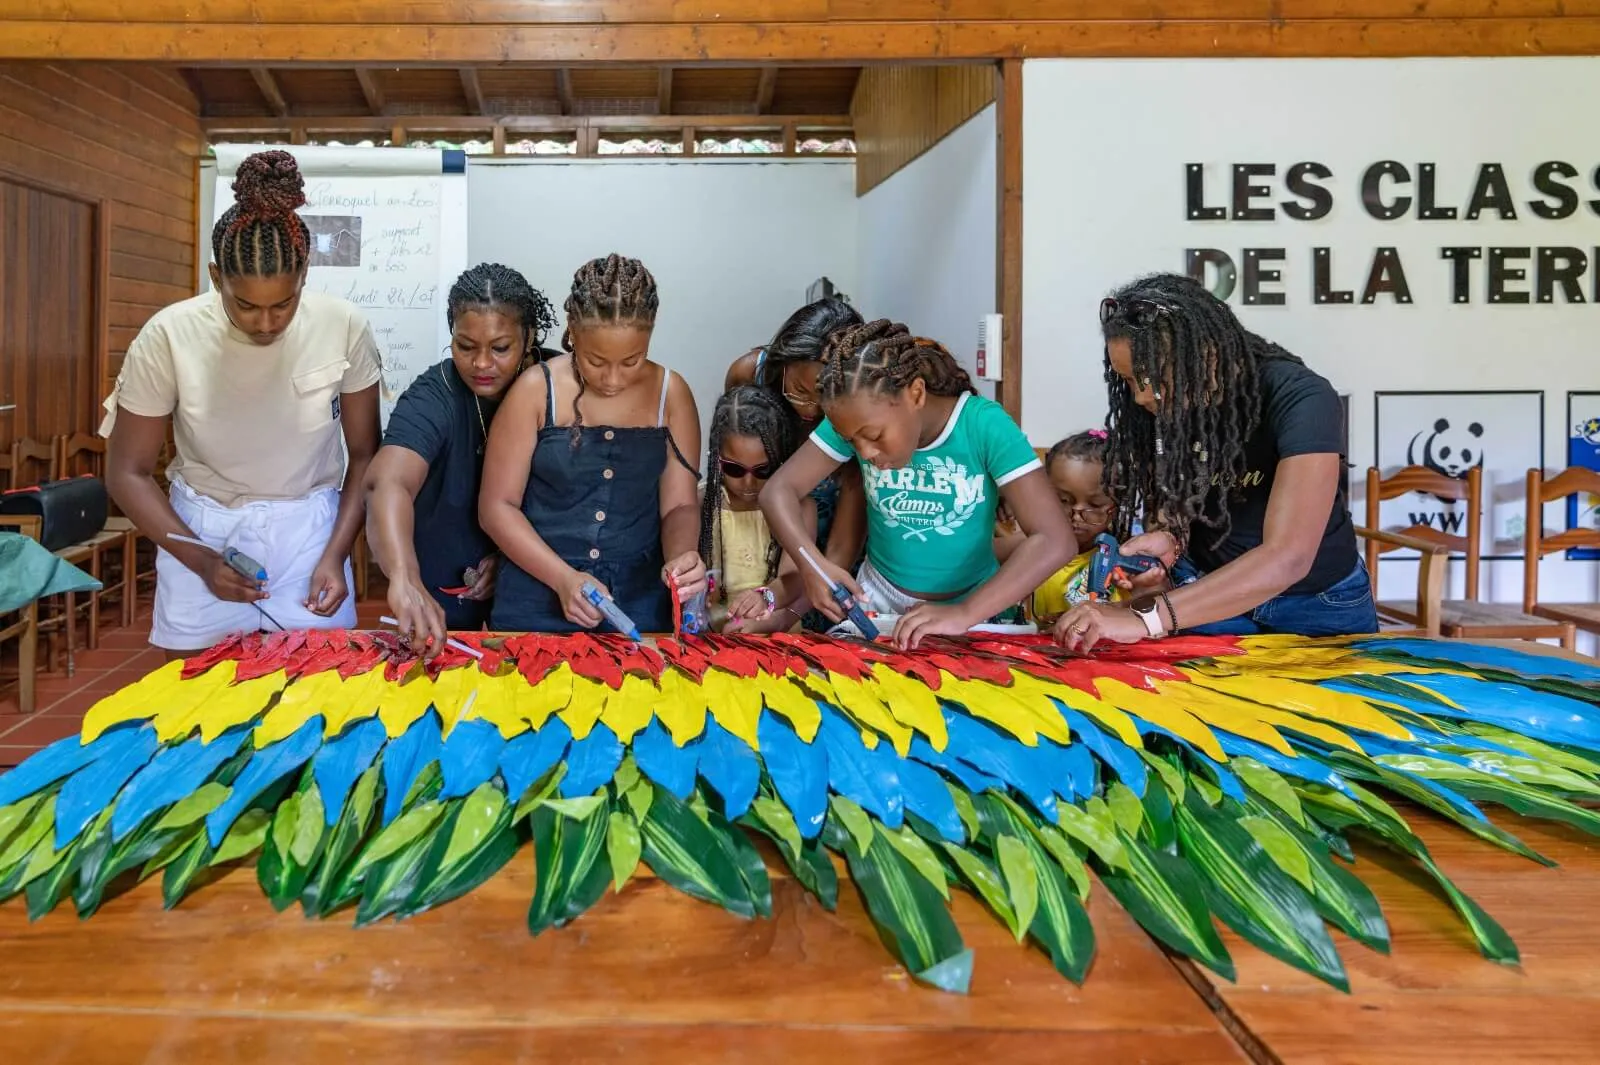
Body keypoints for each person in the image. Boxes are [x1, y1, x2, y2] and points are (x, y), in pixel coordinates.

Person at [102, 150, 380, 657]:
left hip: (310, 534)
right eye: (246, 305)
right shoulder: (169, 335)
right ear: (216, 277)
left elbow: (364, 456)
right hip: (200, 530)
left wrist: (335, 554)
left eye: (284, 304)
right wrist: (202, 561)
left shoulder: (344, 326)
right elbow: (127, 472)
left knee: (316, 706)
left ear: (305, 273)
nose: (267, 323)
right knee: (193, 708)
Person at [1055, 273, 1374, 652]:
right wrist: (1171, 541)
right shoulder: (1161, 404)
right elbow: (1178, 495)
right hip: (1205, 594)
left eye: (1150, 377)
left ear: (1205, 354)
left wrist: (1147, 617)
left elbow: (1288, 557)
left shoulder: (1302, 397)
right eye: (1127, 379)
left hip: (1317, 607)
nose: (1140, 396)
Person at [760, 320, 1075, 649]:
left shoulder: (983, 425)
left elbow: (1054, 540)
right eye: (852, 442)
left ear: (916, 394)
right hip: (878, 608)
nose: (865, 453)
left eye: (874, 436)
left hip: (977, 611)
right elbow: (778, 492)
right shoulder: (853, 417)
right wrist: (813, 566)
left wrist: (963, 612)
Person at [481, 254, 707, 634]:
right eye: (595, 360)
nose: (613, 379)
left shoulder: (673, 394)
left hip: (639, 601)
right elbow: (496, 507)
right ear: (573, 330)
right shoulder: (536, 390)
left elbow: (680, 505)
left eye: (632, 360)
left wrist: (682, 559)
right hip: (536, 599)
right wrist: (563, 579)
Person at [364, 263, 558, 653]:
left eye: (500, 348)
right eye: (465, 347)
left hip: (541, 583)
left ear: (529, 336)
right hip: (446, 582)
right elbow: (388, 482)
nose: (481, 364)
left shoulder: (560, 384)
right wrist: (404, 578)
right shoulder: (435, 394)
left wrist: (512, 557)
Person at [725, 297, 868, 612]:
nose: (810, 408)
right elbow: (731, 463)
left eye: (826, 398)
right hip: (760, 548)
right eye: (801, 391)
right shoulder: (748, 375)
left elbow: (842, 545)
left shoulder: (858, 415)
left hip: (826, 566)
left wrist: (797, 604)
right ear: (783, 360)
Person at [698, 386, 815, 634]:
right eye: (735, 470)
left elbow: (796, 576)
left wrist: (767, 597)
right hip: (715, 635)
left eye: (763, 470)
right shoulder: (702, 501)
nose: (749, 483)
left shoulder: (800, 507)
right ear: (717, 457)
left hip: (778, 632)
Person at [995, 429, 1127, 624]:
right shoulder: (1036, 543)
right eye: (1063, 500)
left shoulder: (1125, 556)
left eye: (1096, 505)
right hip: (1038, 650)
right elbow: (979, 556)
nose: (1076, 515)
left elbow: (1153, 604)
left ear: (1117, 505)